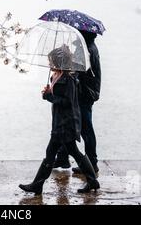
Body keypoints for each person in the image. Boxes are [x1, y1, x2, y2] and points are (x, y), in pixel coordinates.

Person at [18, 46, 100, 195]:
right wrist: (49, 92)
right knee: (72, 152)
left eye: (51, 61)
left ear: (58, 61)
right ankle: (92, 181)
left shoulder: (68, 79)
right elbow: (58, 97)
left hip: (65, 123)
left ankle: (37, 185)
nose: (49, 63)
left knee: (54, 152)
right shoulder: (56, 75)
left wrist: (49, 96)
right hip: (59, 122)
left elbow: (67, 102)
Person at [54, 30, 101, 174]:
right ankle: (63, 157)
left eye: (78, 33)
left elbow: (78, 69)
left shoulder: (87, 49)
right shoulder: (86, 47)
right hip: (85, 91)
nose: (75, 35)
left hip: (85, 93)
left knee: (86, 129)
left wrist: (65, 58)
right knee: (68, 123)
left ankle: (92, 163)